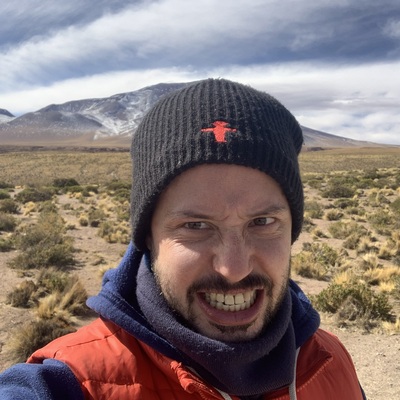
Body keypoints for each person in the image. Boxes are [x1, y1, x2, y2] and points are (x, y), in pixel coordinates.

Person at [0, 78, 366, 399]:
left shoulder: (332, 362)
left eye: (263, 221)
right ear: (147, 235)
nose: (234, 268)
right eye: (196, 225)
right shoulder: (70, 383)